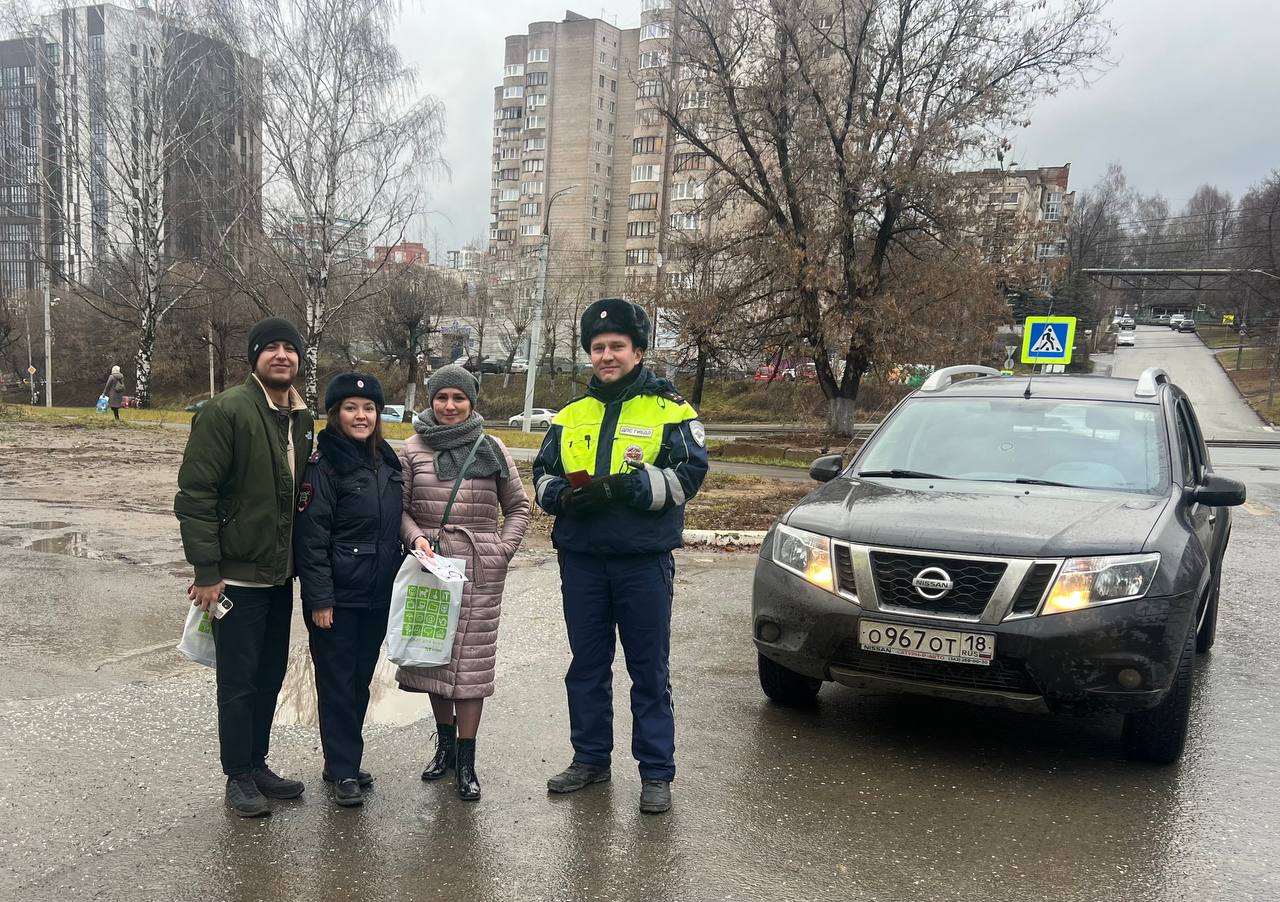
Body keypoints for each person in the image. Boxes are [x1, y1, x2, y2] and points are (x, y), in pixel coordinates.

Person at [532, 298, 709, 815]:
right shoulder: (570, 415)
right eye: (598, 348)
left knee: (648, 671)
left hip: (641, 561)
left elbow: (688, 477)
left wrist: (627, 490)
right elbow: (542, 475)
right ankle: (590, 759)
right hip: (583, 560)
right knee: (586, 666)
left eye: (616, 347)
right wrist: (561, 497)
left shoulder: (670, 409)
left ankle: (656, 772)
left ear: (637, 351)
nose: (606, 356)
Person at [174, 317, 314, 818]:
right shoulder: (226, 411)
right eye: (271, 348)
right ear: (254, 358)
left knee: (271, 672)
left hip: (279, 574)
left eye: (290, 348)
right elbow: (195, 495)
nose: (282, 355)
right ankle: (237, 775)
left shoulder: (300, 417)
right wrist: (207, 569)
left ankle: (257, 764)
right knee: (238, 680)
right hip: (234, 577)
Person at [397, 364, 531, 801]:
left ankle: (468, 763)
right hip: (430, 566)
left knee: (471, 666)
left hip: (479, 567)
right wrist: (415, 537)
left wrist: (500, 551)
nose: (449, 406)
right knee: (434, 662)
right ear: (430, 401)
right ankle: (446, 750)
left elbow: (518, 507)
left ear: (472, 401)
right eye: (441, 398)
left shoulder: (491, 447)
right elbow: (397, 509)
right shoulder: (412, 449)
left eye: (458, 398)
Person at [294, 373, 402, 808]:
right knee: (337, 682)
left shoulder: (387, 462)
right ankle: (343, 770)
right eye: (351, 408)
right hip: (337, 598)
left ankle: (342, 760)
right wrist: (319, 599)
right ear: (336, 414)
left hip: (377, 594)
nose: (361, 416)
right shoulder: (324, 466)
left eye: (369, 408)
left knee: (358, 682)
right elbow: (312, 538)